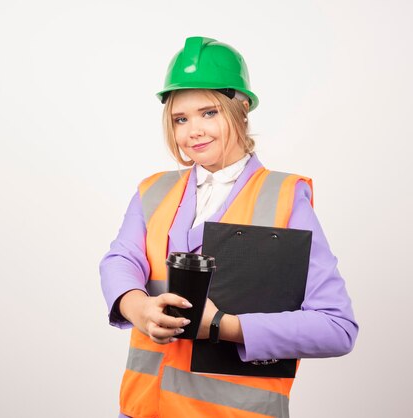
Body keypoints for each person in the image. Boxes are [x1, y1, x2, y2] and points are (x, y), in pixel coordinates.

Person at [99, 36, 358, 418]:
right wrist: (136, 307)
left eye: (209, 113)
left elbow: (337, 327)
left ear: (241, 110)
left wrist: (222, 326)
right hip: (143, 410)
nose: (193, 131)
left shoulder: (285, 197)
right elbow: (121, 258)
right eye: (180, 119)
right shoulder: (153, 190)